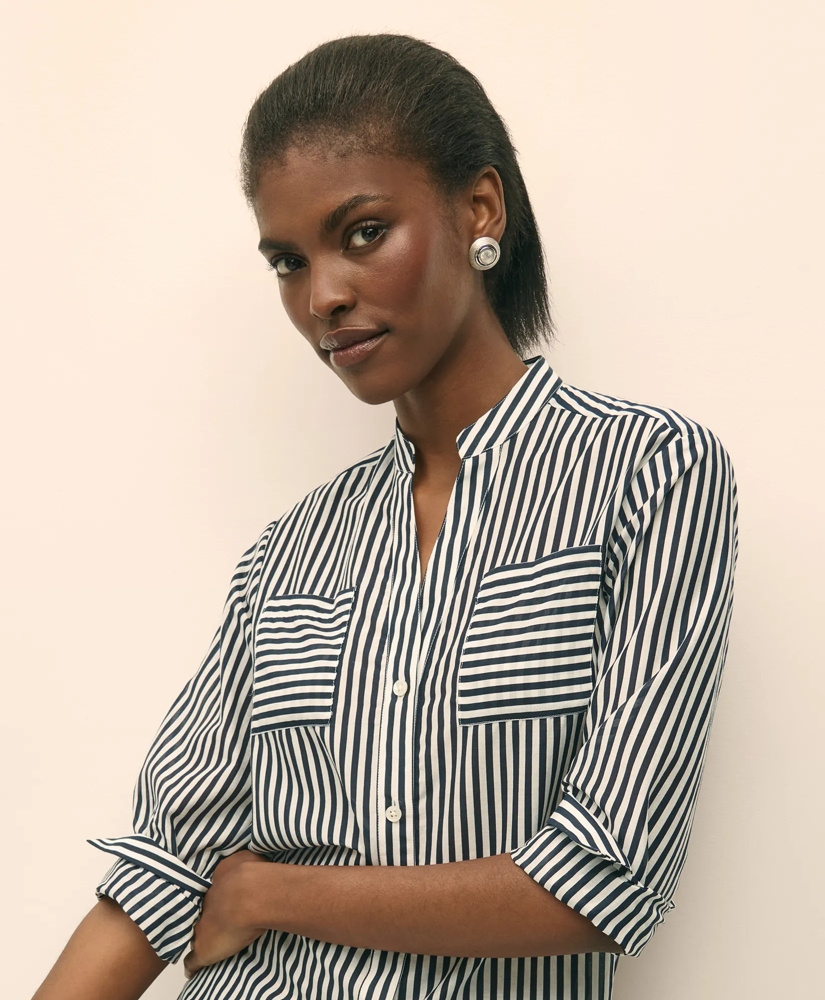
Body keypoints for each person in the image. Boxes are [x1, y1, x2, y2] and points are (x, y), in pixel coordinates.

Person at [33, 32, 738, 1000]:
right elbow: (165, 863)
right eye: (288, 261)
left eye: (363, 232)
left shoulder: (651, 474)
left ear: (478, 208)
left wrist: (273, 892)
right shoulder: (288, 551)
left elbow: (603, 880)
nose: (322, 296)